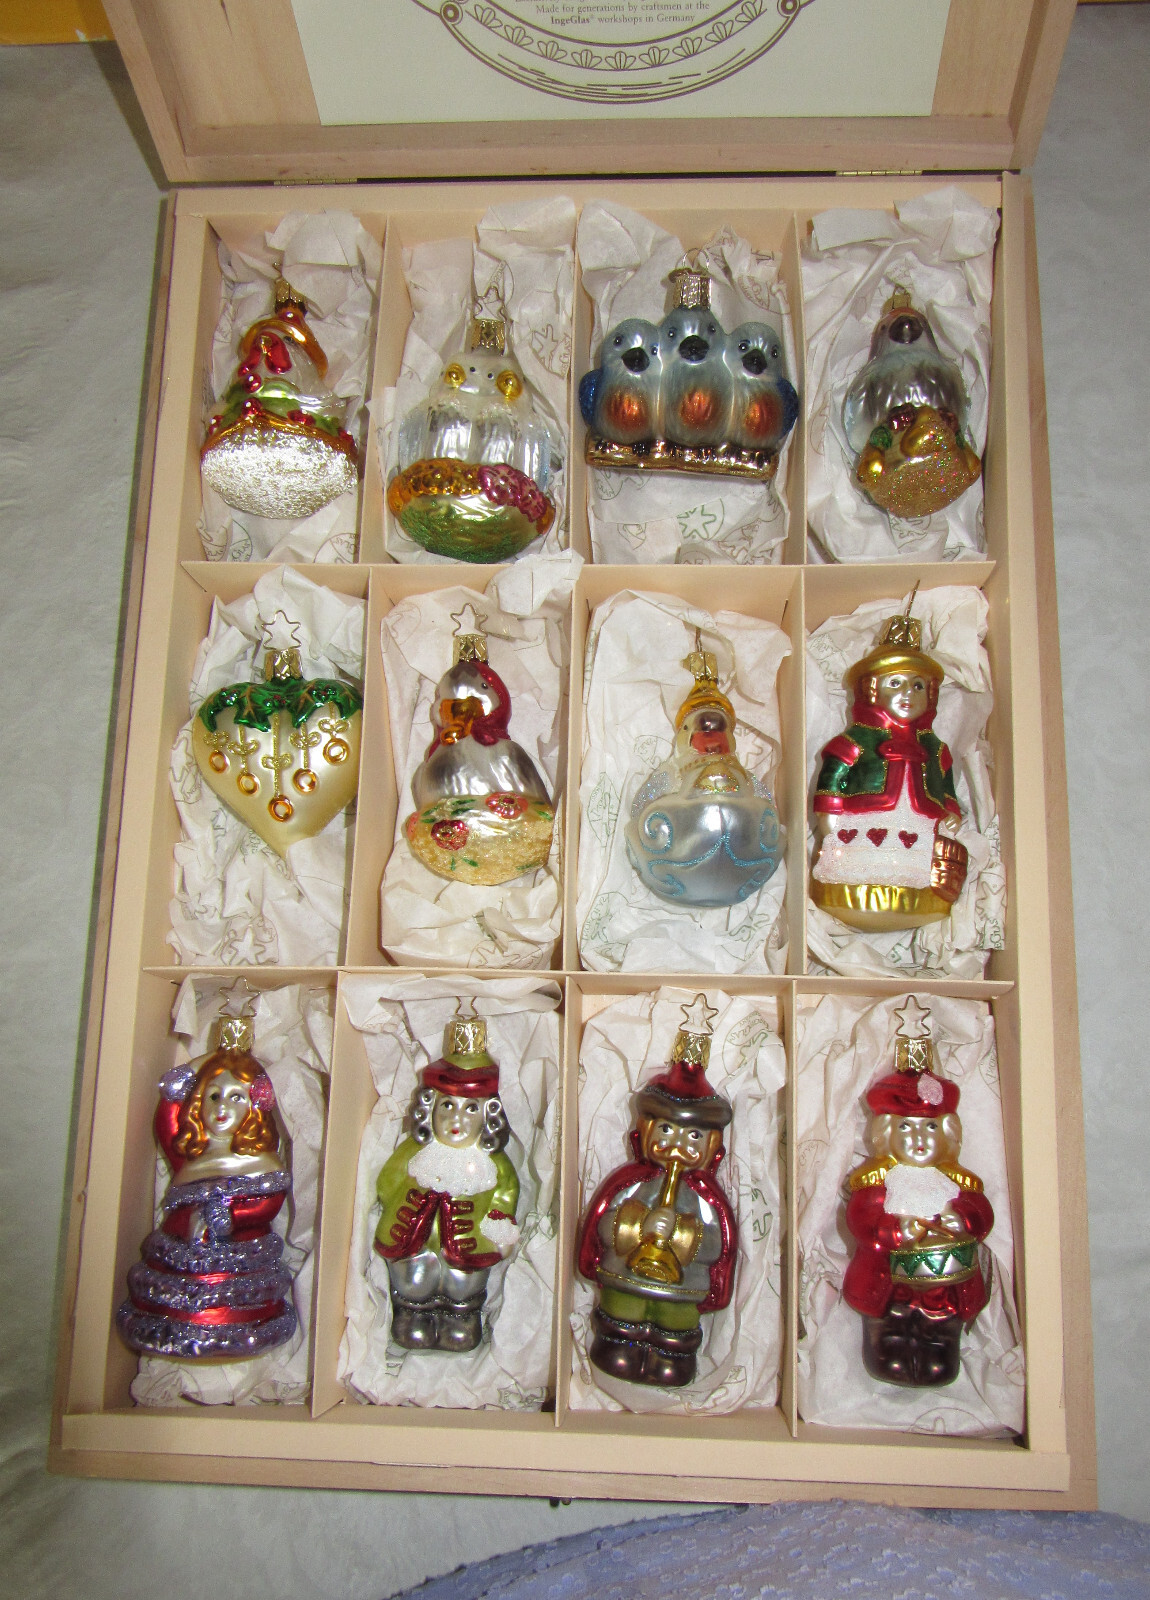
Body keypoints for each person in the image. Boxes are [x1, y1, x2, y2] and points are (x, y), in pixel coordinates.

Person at [116, 1014, 297, 1360]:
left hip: (238, 1270)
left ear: (253, 1108)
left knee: (239, 1311)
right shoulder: (190, 1156)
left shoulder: (262, 1163)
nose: (223, 1108)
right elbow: (167, 1111)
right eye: (214, 1096)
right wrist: (207, 1060)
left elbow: (267, 1205)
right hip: (178, 1262)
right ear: (199, 1101)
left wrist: (229, 1217)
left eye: (236, 1098)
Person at [578, 997, 737, 1387]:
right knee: (623, 1312)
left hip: (683, 1288)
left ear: (711, 1145)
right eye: (666, 1130)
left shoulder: (705, 1199)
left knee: (675, 1324)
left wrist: (682, 1232)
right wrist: (638, 1224)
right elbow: (604, 1225)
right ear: (645, 1131)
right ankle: (616, 1345)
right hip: (626, 1276)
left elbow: (716, 1245)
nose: (678, 1145)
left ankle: (672, 1356)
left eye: (693, 1136)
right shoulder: (632, 1184)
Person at [843, 998, 993, 1387]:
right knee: (892, 1324)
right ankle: (890, 1342)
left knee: (939, 1333)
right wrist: (895, 1230)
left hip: (946, 1284)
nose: (919, 1139)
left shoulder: (957, 1182)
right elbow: (863, 1220)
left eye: (929, 1128)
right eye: (906, 1128)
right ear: (887, 1134)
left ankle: (939, 1344)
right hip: (890, 1284)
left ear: (947, 1133)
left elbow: (980, 1214)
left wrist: (962, 1221)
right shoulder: (878, 1182)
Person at [374, 1011, 520, 1353]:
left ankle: (462, 1319)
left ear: (488, 1115)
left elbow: (506, 1193)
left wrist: (499, 1223)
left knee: (462, 1284)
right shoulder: (414, 1153)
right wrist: (397, 1205)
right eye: (447, 1106)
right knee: (414, 1280)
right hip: (412, 1243)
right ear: (430, 1109)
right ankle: (413, 1314)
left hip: (470, 1245)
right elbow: (387, 1183)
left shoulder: (493, 1164)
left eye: (471, 1109)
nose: (457, 1120)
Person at [811, 610, 967, 929]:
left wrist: (950, 810)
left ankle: (921, 895)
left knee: (919, 856)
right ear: (872, 689)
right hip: (864, 820)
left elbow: (945, 787)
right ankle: (851, 889)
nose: (907, 694)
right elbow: (832, 778)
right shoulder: (856, 740)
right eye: (895, 683)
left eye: (917, 686)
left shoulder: (935, 748)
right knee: (859, 855)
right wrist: (829, 812)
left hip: (918, 822)